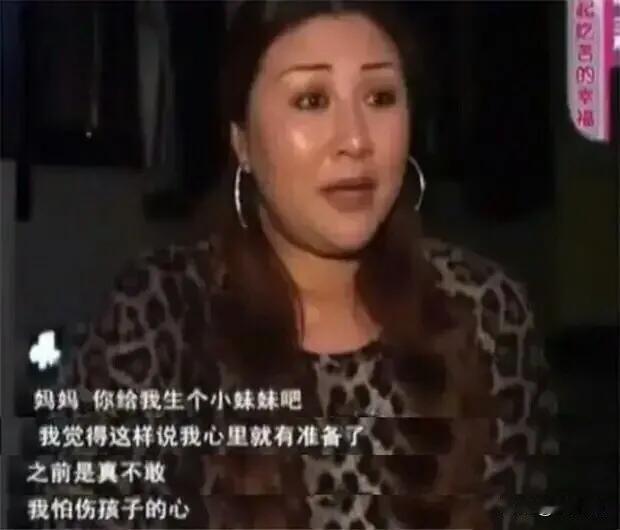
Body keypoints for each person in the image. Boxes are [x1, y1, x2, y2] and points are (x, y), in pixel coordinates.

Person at [38, 1, 557, 529]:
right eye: (312, 100)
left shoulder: (484, 311)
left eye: (380, 97)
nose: (356, 140)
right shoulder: (161, 315)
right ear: (242, 141)